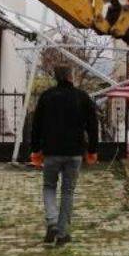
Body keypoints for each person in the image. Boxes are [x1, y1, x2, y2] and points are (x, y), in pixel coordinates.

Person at [30, 66, 98, 246]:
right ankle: (61, 234)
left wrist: (35, 149)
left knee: (49, 186)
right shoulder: (82, 97)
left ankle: (52, 221)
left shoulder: (46, 96)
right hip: (74, 153)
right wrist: (92, 150)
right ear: (71, 76)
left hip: (51, 152)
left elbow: (36, 124)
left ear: (56, 77)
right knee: (68, 191)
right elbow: (93, 125)